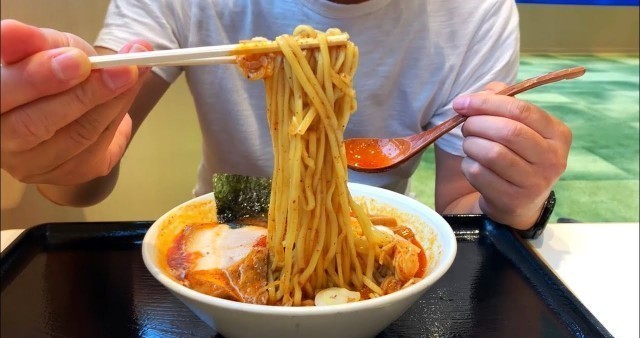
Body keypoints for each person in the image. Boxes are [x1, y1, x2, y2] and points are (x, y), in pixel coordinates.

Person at [0, 0, 571, 234]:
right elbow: (86, 175)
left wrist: (517, 201)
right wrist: (60, 151)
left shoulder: (476, 11)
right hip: (227, 219)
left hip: (367, 224)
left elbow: (458, 211)